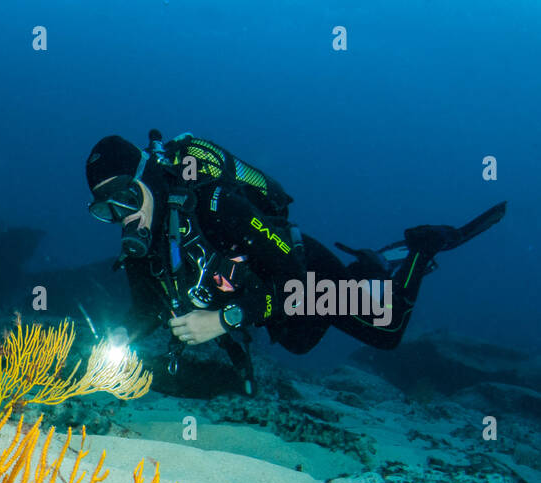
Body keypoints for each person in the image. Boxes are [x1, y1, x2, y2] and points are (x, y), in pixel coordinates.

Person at [85, 131, 506, 394]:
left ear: (148, 177)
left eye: (126, 194)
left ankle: (421, 250)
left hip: (305, 273)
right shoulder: (144, 245)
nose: (123, 215)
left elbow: (296, 284)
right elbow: (146, 307)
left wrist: (224, 320)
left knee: (388, 332)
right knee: (298, 342)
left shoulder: (216, 206)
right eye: (106, 209)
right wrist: (124, 331)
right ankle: (369, 267)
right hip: (268, 304)